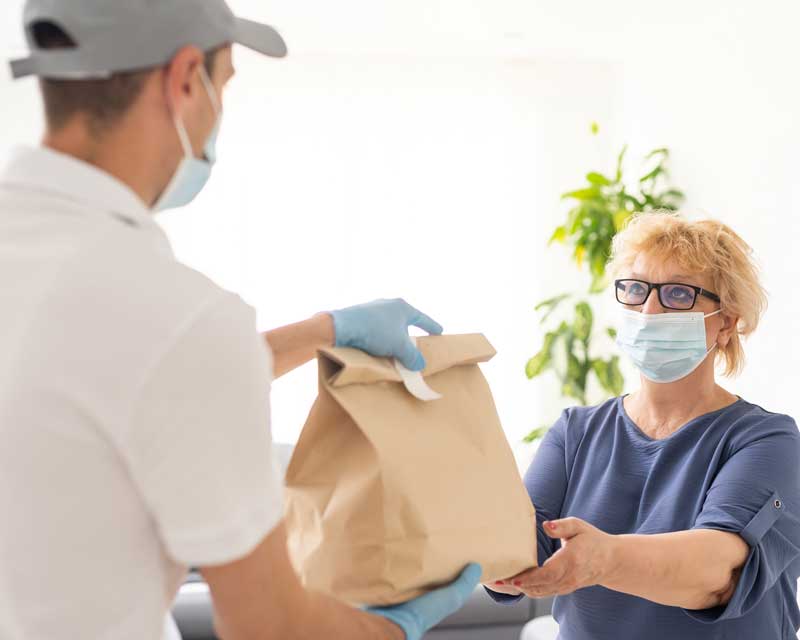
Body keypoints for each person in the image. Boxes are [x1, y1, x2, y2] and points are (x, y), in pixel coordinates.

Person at [0, 1, 480, 639]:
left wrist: (324, 332)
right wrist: (395, 630)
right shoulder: (177, 318)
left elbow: (118, 380)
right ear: (183, 79)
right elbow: (271, 627)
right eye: (222, 85)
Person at [487, 213, 800, 638]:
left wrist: (605, 558)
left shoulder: (765, 440)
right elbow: (518, 555)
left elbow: (718, 571)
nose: (649, 309)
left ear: (725, 323)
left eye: (677, 293)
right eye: (635, 289)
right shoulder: (575, 432)